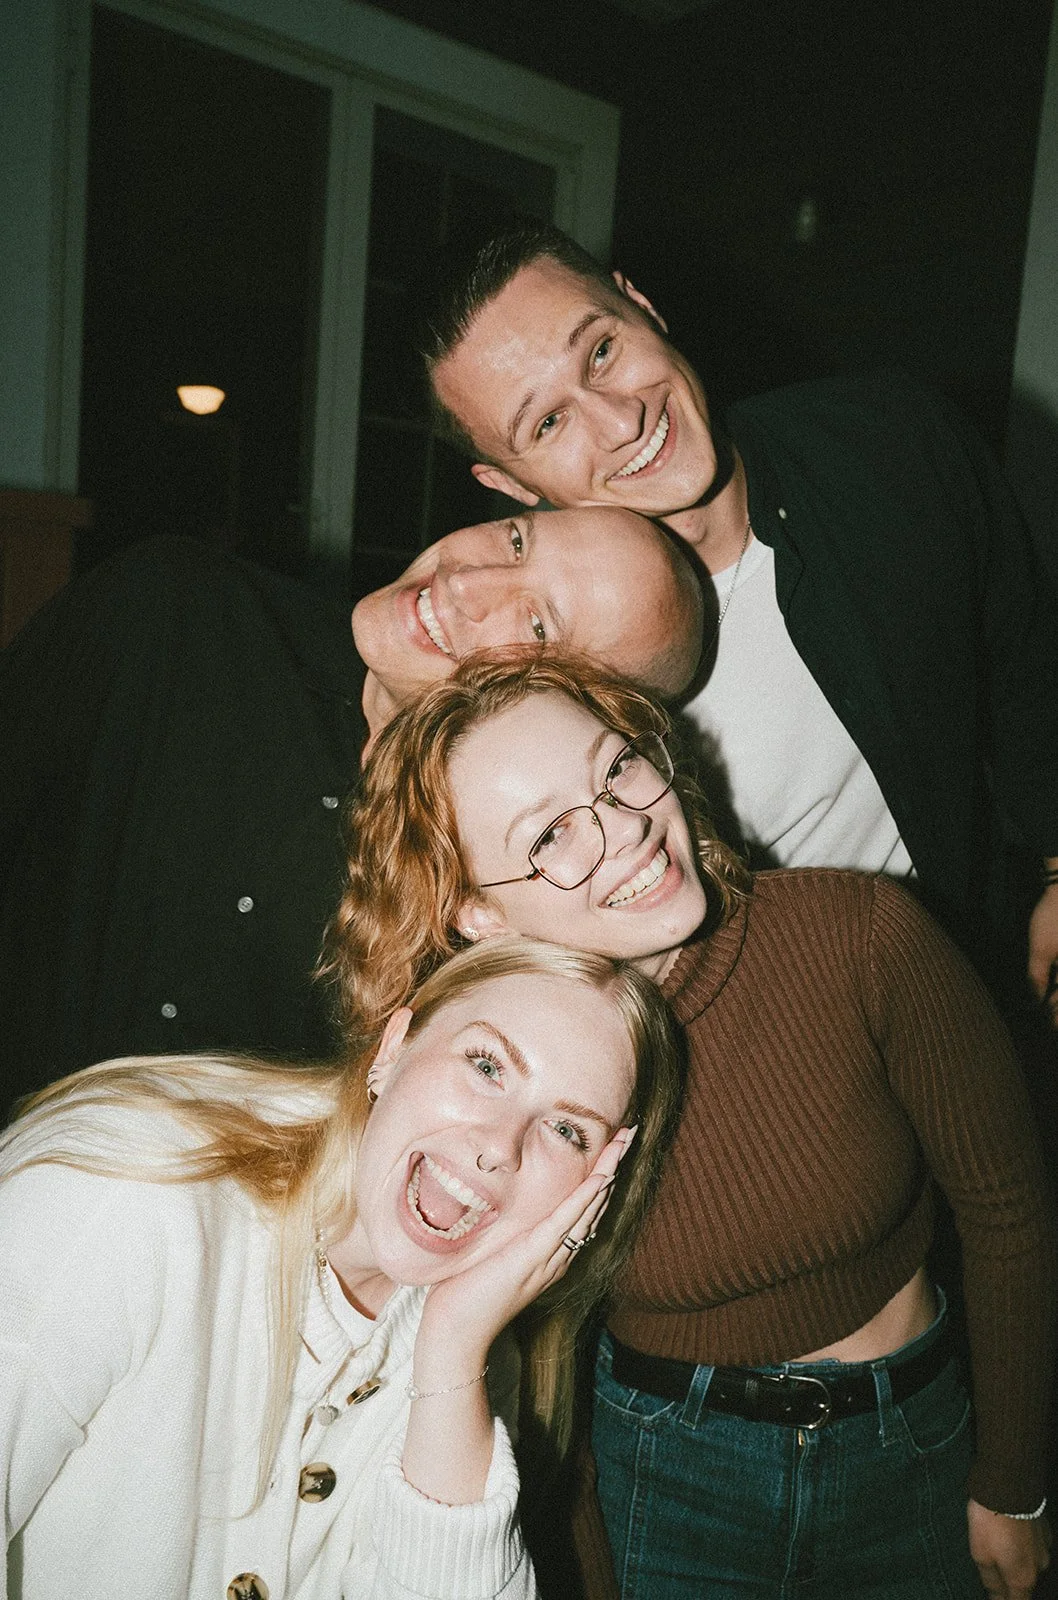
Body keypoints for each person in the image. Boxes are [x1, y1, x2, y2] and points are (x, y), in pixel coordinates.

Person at [328, 651, 1056, 1600]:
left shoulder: (860, 937)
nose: (627, 828)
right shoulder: (493, 1091)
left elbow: (1010, 1213)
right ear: (476, 912)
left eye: (617, 769)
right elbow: (543, 1364)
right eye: (551, 833)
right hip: (664, 1479)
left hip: (912, 1447)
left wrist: (1015, 1482)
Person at [420, 221, 1058, 1023]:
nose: (620, 422)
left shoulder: (891, 441)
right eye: (547, 424)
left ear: (640, 303)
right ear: (508, 483)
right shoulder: (537, 675)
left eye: (602, 352)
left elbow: (1027, 659)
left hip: (985, 971)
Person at [0, 935, 683, 1599]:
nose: (501, 1147)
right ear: (392, 1049)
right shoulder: (119, 1199)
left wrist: (451, 1356)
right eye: (487, 1066)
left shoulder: (470, 1361)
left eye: (568, 1131)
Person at [0, 508, 700, 1105]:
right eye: (516, 540)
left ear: (569, 704)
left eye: (538, 625)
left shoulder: (483, 936)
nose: (464, 581)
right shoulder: (174, 608)